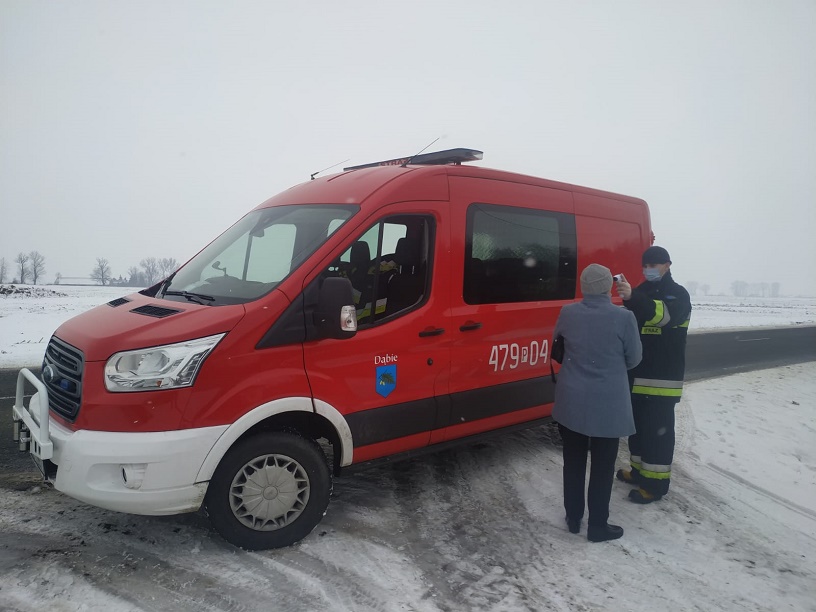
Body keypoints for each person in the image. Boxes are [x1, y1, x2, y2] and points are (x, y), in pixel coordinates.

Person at [552, 264, 642, 542]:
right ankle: (598, 526)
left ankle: (573, 517)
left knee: (574, 461)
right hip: (608, 403)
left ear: (583, 286)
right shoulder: (623, 318)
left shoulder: (568, 312)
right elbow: (634, 358)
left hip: (572, 400)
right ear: (607, 287)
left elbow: (558, 346)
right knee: (603, 466)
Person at [615, 246, 692, 504]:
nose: (649, 269)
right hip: (637, 376)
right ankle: (638, 473)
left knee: (657, 434)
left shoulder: (678, 294)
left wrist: (634, 298)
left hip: (662, 380)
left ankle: (655, 485)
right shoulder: (641, 291)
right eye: (645, 265)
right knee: (637, 432)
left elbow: (664, 316)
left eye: (655, 265)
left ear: (667, 265)